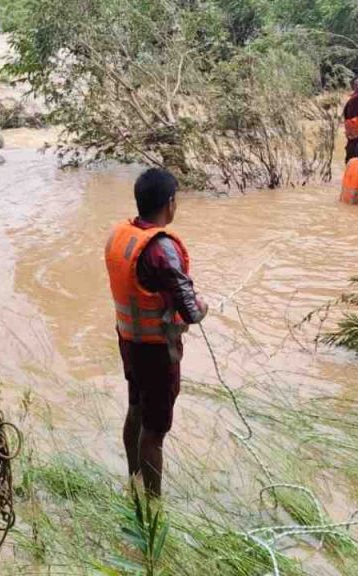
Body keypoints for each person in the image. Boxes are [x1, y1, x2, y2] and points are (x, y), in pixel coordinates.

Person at [104, 168, 208, 498]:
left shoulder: (122, 234)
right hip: (156, 351)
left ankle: (133, 479)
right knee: (155, 430)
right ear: (170, 203)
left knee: (136, 408)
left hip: (129, 342)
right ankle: (153, 505)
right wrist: (203, 306)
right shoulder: (162, 249)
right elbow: (191, 310)